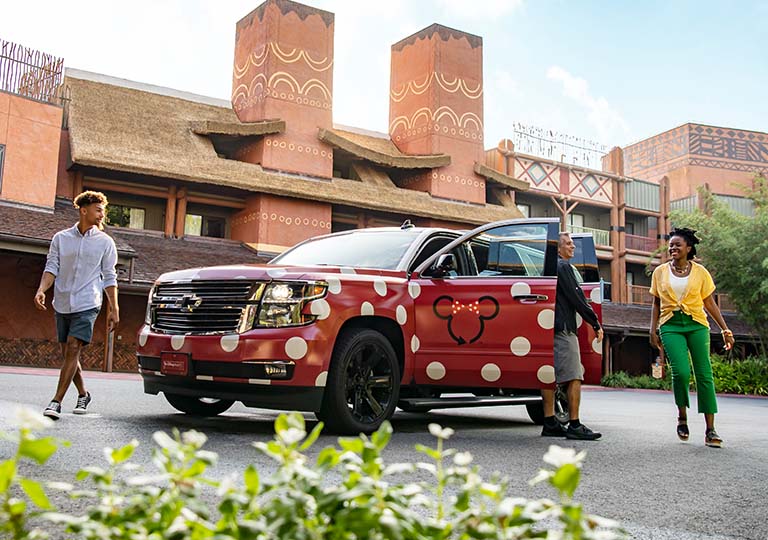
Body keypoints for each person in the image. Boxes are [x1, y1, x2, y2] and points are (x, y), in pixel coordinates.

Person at [34, 191, 119, 419]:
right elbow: (52, 267)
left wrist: (114, 309)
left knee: (73, 348)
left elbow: (109, 277)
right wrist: (42, 289)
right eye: (98, 209)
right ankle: (83, 393)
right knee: (69, 356)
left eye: (103, 210)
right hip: (62, 303)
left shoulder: (105, 242)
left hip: (88, 303)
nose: (102, 214)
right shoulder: (61, 238)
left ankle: (56, 402)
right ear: (84, 210)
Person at [649, 227, 734, 448]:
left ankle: (710, 429)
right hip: (670, 325)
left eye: (678, 244)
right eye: (670, 245)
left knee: (704, 374)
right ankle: (682, 417)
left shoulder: (700, 272)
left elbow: (709, 302)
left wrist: (725, 329)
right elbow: (656, 302)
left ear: (689, 248)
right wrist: (652, 329)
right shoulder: (660, 272)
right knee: (681, 371)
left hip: (697, 324)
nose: (673, 248)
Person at [541, 232, 604, 440]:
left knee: (549, 376)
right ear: (557, 249)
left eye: (572, 244)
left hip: (549, 327)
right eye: (568, 244)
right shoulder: (564, 267)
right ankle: (575, 424)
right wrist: (594, 322)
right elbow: (577, 297)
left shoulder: (549, 269)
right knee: (574, 375)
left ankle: (550, 421)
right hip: (564, 329)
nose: (573, 247)